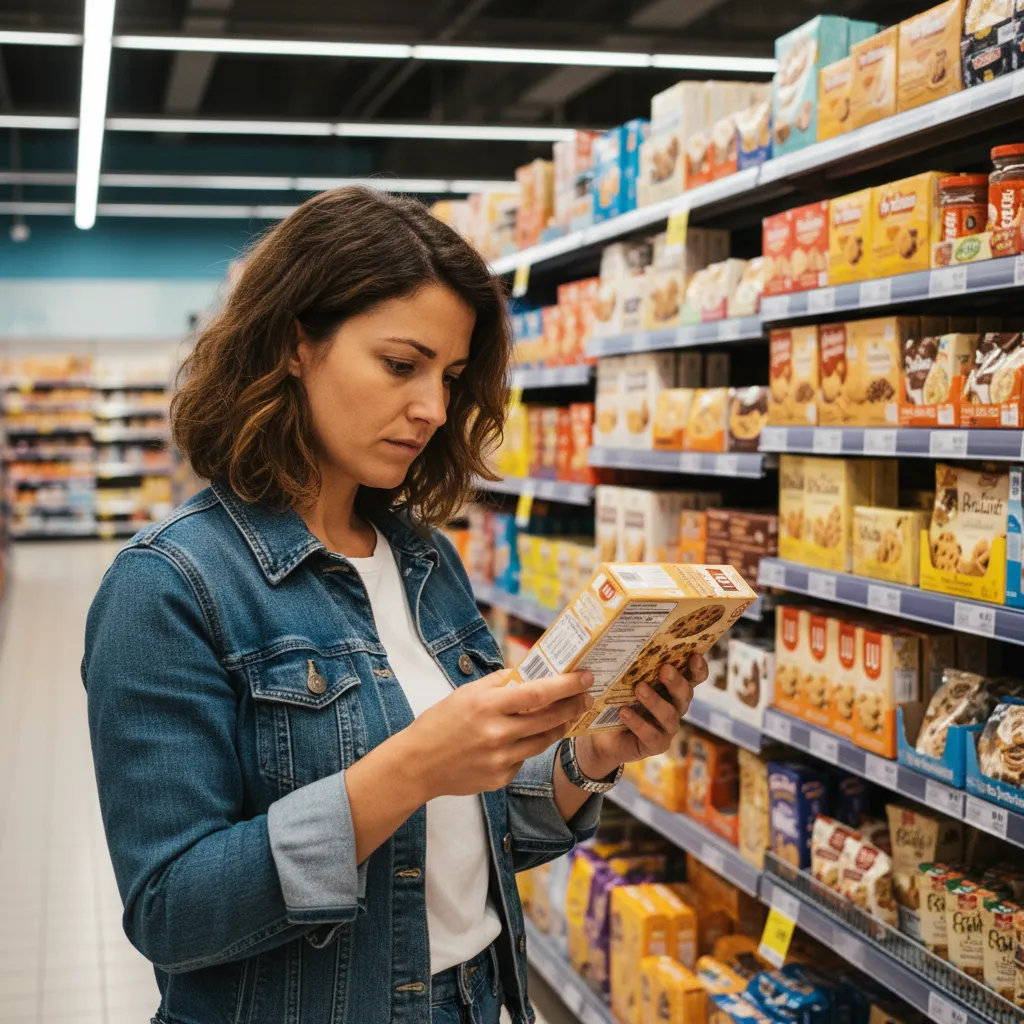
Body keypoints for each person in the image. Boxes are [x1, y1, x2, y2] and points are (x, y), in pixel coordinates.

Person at [82, 186, 706, 1024]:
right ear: (296, 342)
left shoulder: (423, 559)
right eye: (401, 364)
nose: (434, 410)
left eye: (450, 377)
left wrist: (588, 756)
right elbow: (172, 911)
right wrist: (410, 767)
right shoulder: (168, 586)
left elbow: (474, 837)